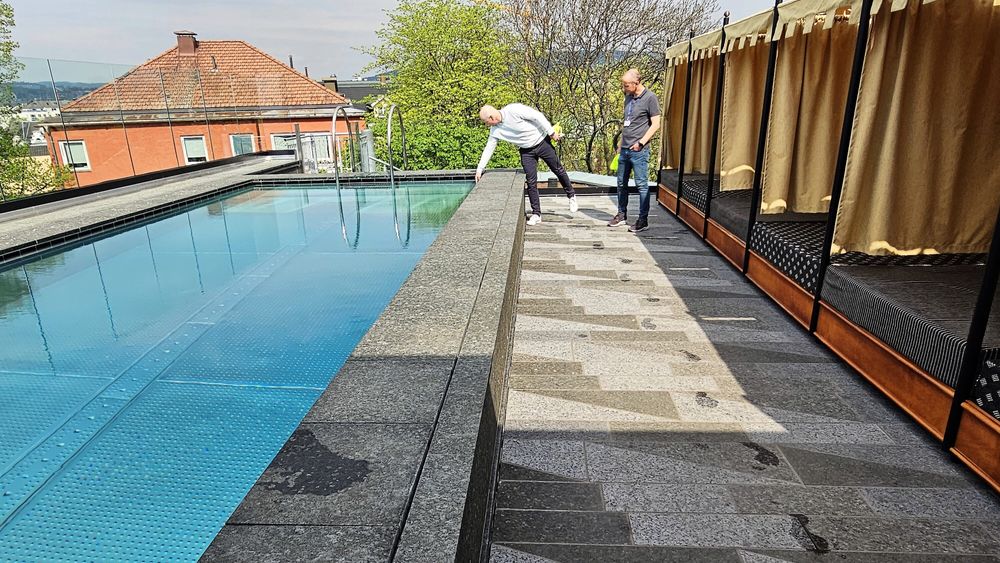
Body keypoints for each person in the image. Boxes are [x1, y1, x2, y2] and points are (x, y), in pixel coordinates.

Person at [476, 104, 577, 225]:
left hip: (541, 142)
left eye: (487, 122)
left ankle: (571, 196)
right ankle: (536, 214)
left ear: (492, 118)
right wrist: (480, 168)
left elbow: (537, 116)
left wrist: (551, 133)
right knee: (531, 181)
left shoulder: (513, 110)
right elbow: (489, 147)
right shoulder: (495, 130)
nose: (487, 125)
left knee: (558, 170)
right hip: (526, 151)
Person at [608, 69, 661, 233]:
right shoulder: (628, 97)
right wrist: (620, 144)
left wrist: (641, 143)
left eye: (626, 85)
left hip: (639, 149)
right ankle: (621, 214)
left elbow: (656, 124)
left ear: (636, 83)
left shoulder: (650, 98)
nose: (624, 88)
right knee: (621, 183)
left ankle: (643, 220)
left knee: (641, 185)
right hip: (624, 148)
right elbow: (627, 122)